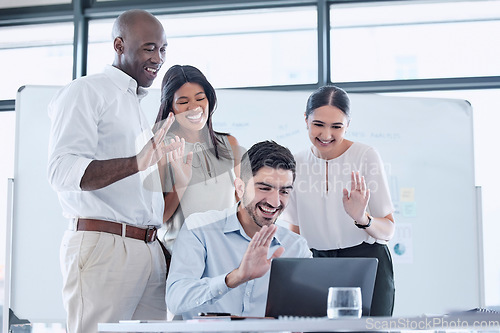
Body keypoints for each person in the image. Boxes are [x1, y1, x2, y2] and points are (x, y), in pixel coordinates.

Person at [47, 9, 178, 333]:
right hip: (105, 247)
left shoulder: (134, 104)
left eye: (163, 49)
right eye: (149, 47)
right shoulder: (86, 92)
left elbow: (140, 197)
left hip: (148, 250)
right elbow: (61, 171)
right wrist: (137, 162)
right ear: (119, 45)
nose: (158, 58)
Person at [281, 85, 396, 316]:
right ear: (305, 120)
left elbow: (388, 231)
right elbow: (295, 229)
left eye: (337, 126)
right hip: (316, 264)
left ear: (348, 125)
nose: (326, 135)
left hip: (366, 262)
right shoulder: (295, 162)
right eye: (318, 124)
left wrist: (361, 218)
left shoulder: (366, 156)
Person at [166, 140, 312, 319]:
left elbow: (305, 312)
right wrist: (235, 278)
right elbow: (175, 300)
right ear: (240, 187)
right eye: (265, 188)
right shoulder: (200, 229)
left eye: (284, 191)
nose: (275, 202)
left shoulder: (296, 247)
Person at [154, 65, 241, 253]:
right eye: (183, 102)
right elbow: (157, 218)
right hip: (183, 256)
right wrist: (181, 184)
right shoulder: (162, 148)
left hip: (225, 252)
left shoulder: (230, 144)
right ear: (171, 106)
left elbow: (239, 204)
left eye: (200, 98)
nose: (193, 107)